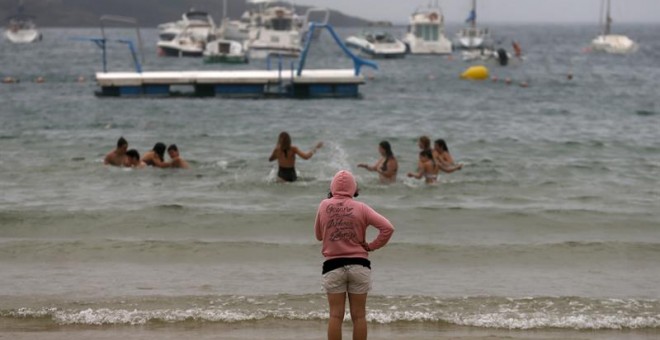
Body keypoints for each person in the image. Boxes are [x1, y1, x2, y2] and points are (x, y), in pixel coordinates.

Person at [314, 170, 394, 340]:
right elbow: (388, 228)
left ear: (332, 187)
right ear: (354, 188)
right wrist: (371, 246)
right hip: (359, 265)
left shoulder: (323, 205)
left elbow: (319, 235)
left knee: (335, 316)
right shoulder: (362, 208)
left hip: (333, 266)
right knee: (359, 316)